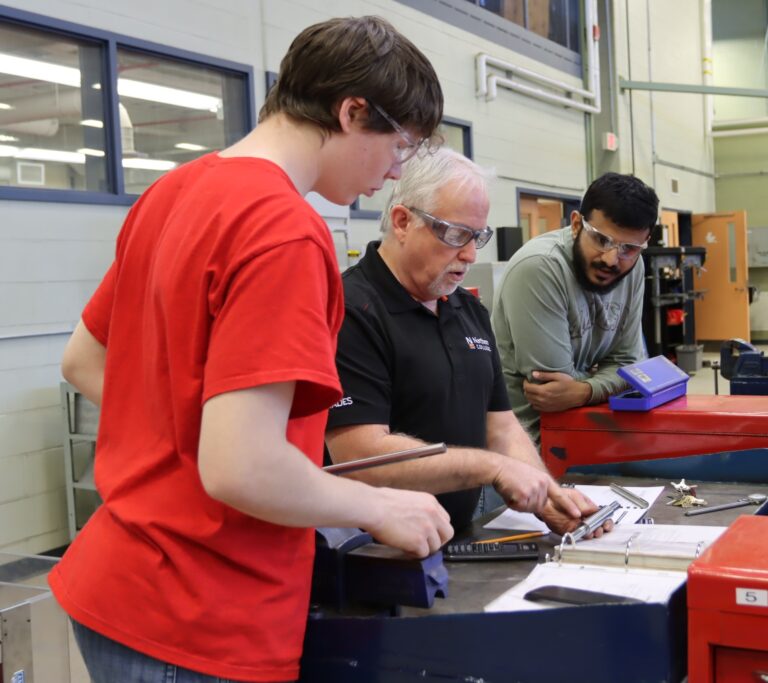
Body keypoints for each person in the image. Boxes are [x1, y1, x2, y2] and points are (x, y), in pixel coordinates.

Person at [51, 17, 454, 683]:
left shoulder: (171, 193)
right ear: (353, 111)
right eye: (400, 145)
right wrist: (381, 505)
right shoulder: (285, 231)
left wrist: (194, 435)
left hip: (118, 583)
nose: (393, 172)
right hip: (200, 609)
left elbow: (85, 360)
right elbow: (241, 468)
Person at [324, 148, 602, 535]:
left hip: (454, 538)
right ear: (403, 221)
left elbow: (500, 429)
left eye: (478, 236)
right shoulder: (349, 311)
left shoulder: (467, 310)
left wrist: (548, 496)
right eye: (456, 234)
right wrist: (492, 468)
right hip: (372, 548)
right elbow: (360, 455)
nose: (470, 254)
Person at [492, 172, 660, 442]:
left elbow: (630, 364)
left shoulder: (634, 267)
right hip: (527, 443)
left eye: (629, 248)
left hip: (588, 428)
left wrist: (583, 390)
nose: (612, 259)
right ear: (575, 224)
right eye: (602, 239)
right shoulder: (540, 268)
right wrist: (611, 379)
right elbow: (551, 391)